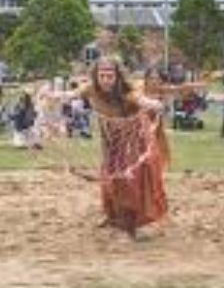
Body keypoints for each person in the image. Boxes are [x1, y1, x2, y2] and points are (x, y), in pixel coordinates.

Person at [57, 57, 166, 239]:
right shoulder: (91, 88)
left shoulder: (126, 91)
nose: (106, 79)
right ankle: (113, 215)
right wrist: (52, 95)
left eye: (110, 75)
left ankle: (136, 222)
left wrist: (153, 104)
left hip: (134, 138)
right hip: (111, 138)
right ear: (96, 76)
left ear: (117, 76)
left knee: (130, 179)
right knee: (110, 175)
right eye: (102, 75)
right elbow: (71, 95)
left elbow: (140, 99)